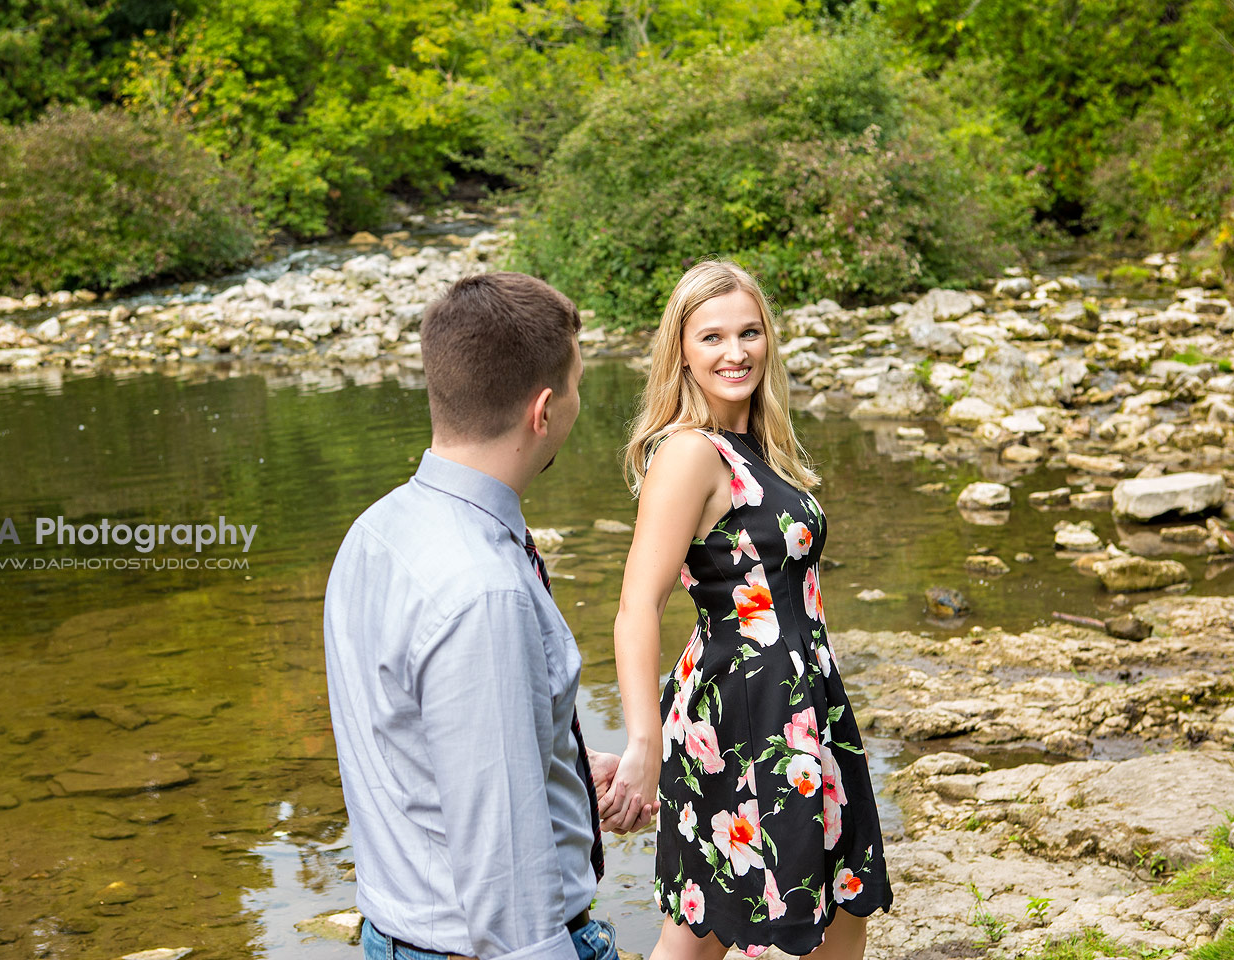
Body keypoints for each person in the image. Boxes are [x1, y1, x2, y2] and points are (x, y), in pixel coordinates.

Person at [323, 272, 650, 960]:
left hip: (399, 931)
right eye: (578, 386)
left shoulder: (375, 532)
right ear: (543, 410)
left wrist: (552, 756)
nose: (578, 403)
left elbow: (408, 735)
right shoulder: (483, 591)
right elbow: (507, 888)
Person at [601, 260, 893, 960]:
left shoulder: (761, 447)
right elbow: (637, 605)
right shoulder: (689, 455)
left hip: (806, 703)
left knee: (831, 901)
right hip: (742, 712)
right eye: (712, 338)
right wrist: (642, 744)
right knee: (724, 918)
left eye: (750, 332)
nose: (735, 353)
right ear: (682, 353)